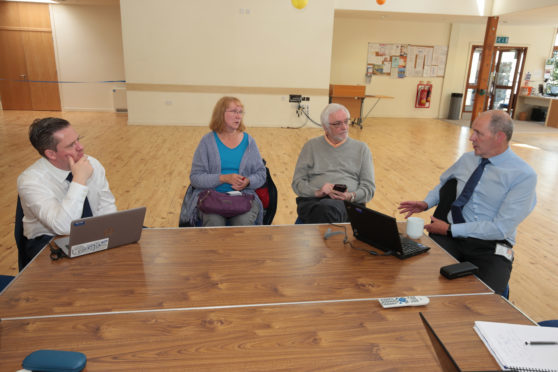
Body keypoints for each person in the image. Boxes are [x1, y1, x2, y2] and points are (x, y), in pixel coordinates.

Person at [399, 110, 537, 295]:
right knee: (420, 283)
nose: (471, 138)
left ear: (499, 137)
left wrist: (449, 229)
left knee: (484, 299)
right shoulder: (468, 160)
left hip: (490, 246)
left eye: (478, 133)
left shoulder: (522, 176)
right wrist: (426, 203)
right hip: (450, 238)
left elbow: (500, 228)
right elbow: (444, 183)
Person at [17, 117, 117, 267]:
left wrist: (111, 234)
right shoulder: (30, 181)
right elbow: (63, 227)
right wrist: (79, 180)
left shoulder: (92, 163)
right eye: (71, 145)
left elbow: (106, 207)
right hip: (49, 242)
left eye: (78, 139)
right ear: (51, 154)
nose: (81, 147)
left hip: (92, 233)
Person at [181, 96, 266, 226]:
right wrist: (223, 178)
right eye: (233, 111)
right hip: (211, 196)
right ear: (221, 114)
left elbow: (261, 174)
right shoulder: (207, 142)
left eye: (240, 112)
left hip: (243, 197)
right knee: (215, 224)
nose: (238, 116)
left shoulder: (249, 142)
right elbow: (195, 178)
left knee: (242, 223)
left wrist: (248, 182)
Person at [291, 103, 375, 223]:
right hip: (313, 201)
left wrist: (350, 196)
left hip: (347, 203)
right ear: (325, 127)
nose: (344, 127)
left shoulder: (362, 149)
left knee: (328, 209)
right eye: (337, 124)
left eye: (346, 121)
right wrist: (318, 192)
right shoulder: (311, 146)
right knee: (325, 209)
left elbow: (369, 189)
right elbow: (297, 183)